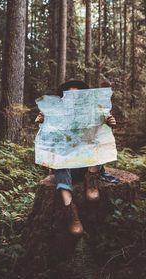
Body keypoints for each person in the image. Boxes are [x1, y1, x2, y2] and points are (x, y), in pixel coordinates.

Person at [35, 80, 116, 236]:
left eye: (77, 95)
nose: (73, 98)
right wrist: (44, 123)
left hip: (88, 166)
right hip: (66, 167)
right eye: (69, 95)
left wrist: (108, 123)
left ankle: (91, 181)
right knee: (59, 161)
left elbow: (99, 136)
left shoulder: (93, 113)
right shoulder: (56, 115)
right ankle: (71, 211)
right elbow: (49, 140)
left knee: (95, 143)